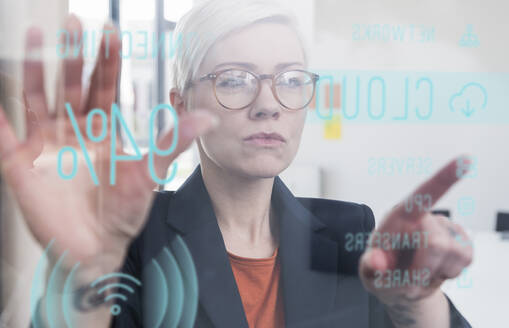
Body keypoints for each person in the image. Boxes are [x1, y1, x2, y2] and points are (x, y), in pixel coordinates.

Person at [0, 0, 473, 327]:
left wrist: (415, 300)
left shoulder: (352, 231)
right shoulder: (132, 237)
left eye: (290, 79)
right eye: (234, 80)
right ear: (181, 104)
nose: (269, 104)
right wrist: (85, 274)